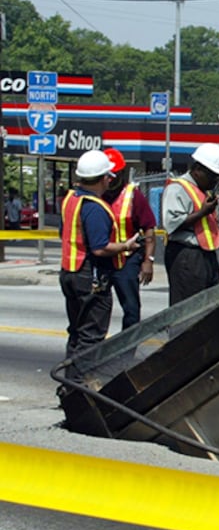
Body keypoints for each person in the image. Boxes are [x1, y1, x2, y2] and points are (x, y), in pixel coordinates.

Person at [59, 149, 141, 368]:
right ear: (104, 178)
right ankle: (80, 386)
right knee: (91, 336)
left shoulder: (71, 200)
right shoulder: (94, 207)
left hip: (70, 272)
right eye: (108, 177)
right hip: (89, 276)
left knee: (77, 332)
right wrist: (126, 246)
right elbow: (100, 248)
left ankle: (69, 385)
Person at [162, 143, 219, 305]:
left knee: (210, 305)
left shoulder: (203, 190)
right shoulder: (177, 188)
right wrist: (202, 212)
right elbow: (171, 223)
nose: (215, 180)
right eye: (212, 175)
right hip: (186, 255)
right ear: (198, 169)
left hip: (206, 255)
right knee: (187, 307)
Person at [101, 147, 157, 329]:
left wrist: (148, 260)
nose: (111, 179)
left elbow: (149, 229)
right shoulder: (94, 195)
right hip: (100, 259)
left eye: (114, 175)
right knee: (98, 308)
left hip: (127, 261)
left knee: (132, 309)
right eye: (107, 175)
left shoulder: (133, 196)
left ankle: (127, 354)